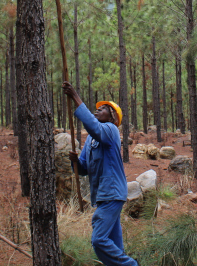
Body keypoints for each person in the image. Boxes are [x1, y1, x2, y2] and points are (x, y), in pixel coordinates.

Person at [63, 81, 137, 266]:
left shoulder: (111, 131)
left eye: (103, 109)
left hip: (112, 193)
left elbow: (94, 127)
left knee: (98, 239)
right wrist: (75, 161)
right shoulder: (91, 140)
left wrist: (75, 97)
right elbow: (84, 169)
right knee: (114, 245)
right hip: (103, 196)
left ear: (112, 116)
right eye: (98, 108)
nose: (98, 110)